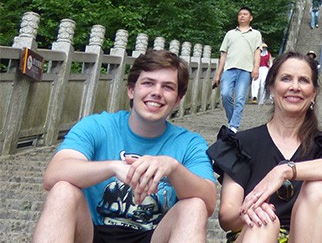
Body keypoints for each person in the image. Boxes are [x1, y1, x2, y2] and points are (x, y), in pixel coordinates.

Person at [32, 50, 217, 243]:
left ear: (178, 99)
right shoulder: (97, 126)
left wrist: (173, 167)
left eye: (168, 87)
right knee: (63, 190)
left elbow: (210, 202)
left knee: (194, 206)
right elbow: (53, 174)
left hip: (154, 235)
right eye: (148, 83)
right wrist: (112, 167)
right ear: (131, 89)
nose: (156, 92)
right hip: (92, 232)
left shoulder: (189, 143)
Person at [208, 52, 322, 243]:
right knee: (265, 223)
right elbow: (227, 217)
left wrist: (286, 171)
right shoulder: (242, 143)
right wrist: (254, 210)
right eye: (286, 78)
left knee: (319, 187)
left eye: (303, 80)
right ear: (271, 87)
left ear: (313, 93)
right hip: (253, 235)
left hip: (305, 235)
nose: (294, 87)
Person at [213, 6, 262, 132]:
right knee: (225, 94)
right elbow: (223, 54)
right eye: (240, 14)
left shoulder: (256, 34)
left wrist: (256, 68)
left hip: (245, 70)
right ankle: (232, 120)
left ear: (251, 18)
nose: (242, 16)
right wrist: (218, 74)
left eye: (245, 14)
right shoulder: (230, 34)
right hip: (229, 68)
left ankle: (234, 126)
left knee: (240, 98)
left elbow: (257, 52)